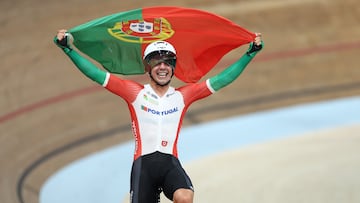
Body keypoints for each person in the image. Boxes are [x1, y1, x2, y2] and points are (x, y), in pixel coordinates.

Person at [54, 29, 263, 203]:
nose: (162, 67)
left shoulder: (183, 95)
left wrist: (249, 54)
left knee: (185, 197)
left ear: (173, 67)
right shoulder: (134, 92)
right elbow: (96, 74)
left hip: (169, 164)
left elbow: (222, 79)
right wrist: (68, 50)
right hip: (143, 168)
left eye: (167, 62)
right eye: (157, 62)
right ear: (148, 67)